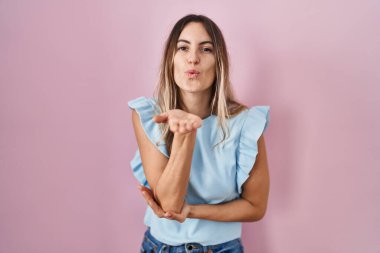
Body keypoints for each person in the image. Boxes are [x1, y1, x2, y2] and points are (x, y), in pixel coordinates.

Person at [128, 14, 270, 253]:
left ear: (219, 62)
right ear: (171, 59)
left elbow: (255, 207)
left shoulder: (245, 123)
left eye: (206, 49)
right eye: (183, 48)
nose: (193, 59)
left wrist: (192, 211)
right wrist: (186, 134)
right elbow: (169, 203)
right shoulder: (148, 115)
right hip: (159, 247)